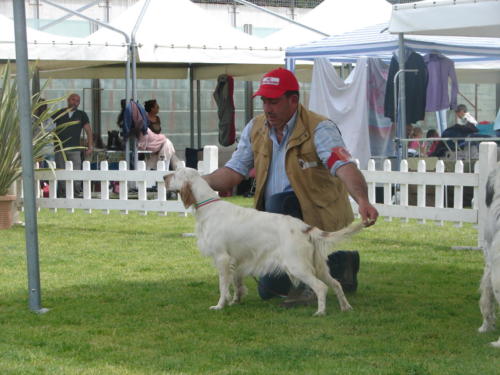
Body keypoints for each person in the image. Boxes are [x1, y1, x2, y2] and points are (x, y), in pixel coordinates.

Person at [202, 67, 378, 306]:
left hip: (314, 214)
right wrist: (200, 182)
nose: (267, 108)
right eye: (264, 101)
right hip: (275, 222)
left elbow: (344, 167)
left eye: (273, 101)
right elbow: (233, 172)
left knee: (280, 202)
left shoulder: (320, 128)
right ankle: (341, 263)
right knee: (269, 291)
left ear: (293, 100)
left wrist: (362, 200)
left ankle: (314, 281)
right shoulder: (255, 128)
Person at [53, 93, 93, 197]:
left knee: (76, 170)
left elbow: (88, 131)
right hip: (59, 148)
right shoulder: (60, 113)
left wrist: (90, 146)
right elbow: (48, 126)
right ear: (68, 100)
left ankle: (75, 192)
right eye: (73, 100)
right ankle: (62, 193)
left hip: (75, 148)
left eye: (78, 101)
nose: (75, 103)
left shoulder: (81, 114)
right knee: (60, 171)